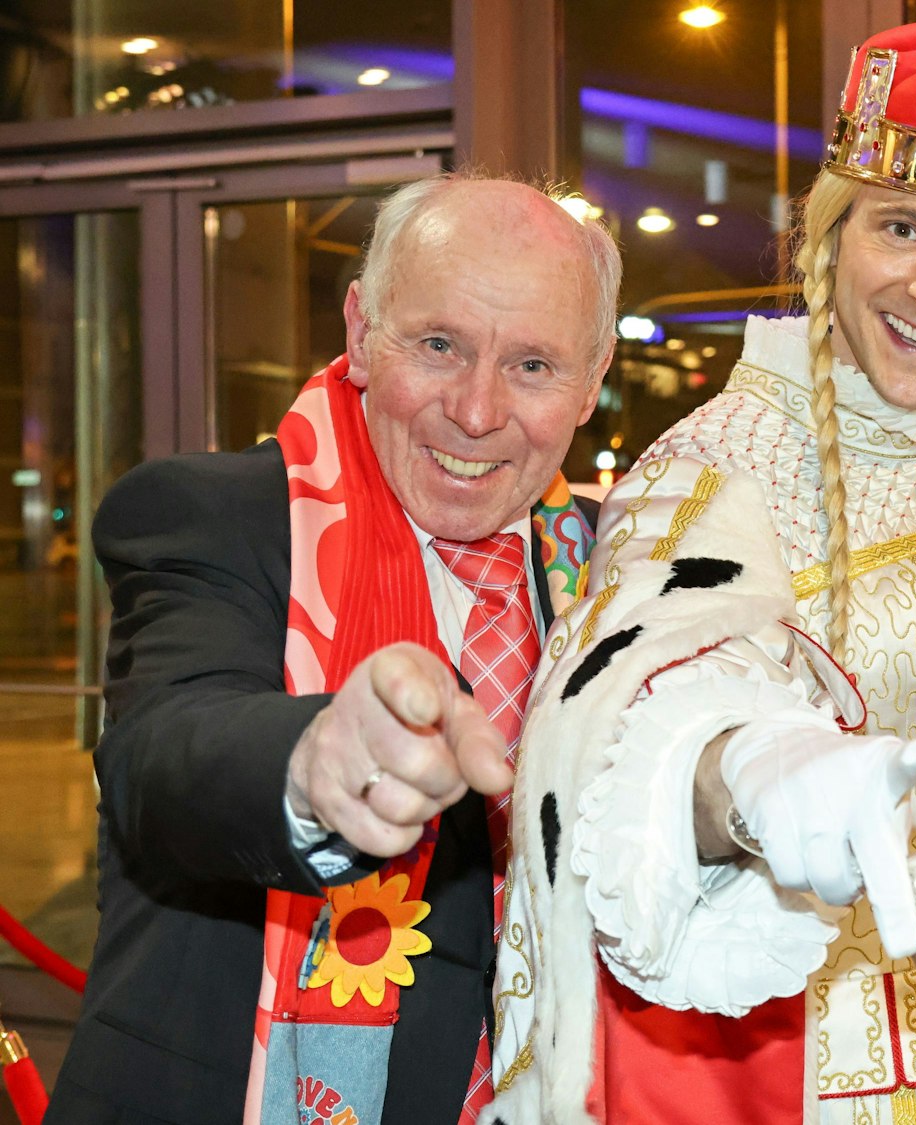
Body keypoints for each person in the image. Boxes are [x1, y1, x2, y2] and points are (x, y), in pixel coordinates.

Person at [487, 20, 916, 1124]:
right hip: (806, 1071)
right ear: (829, 235)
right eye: (901, 228)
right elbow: (639, 723)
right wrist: (747, 777)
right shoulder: (716, 467)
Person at [51, 174, 615, 1125]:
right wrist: (316, 765)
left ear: (593, 380)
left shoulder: (622, 568)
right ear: (361, 329)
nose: (476, 412)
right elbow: (162, 756)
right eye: (439, 345)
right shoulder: (213, 516)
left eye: (532, 366)